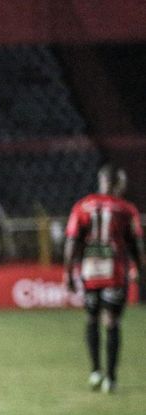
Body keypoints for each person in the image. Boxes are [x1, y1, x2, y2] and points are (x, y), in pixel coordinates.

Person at [64, 164, 144, 393]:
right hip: (114, 271)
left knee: (91, 318)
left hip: (90, 270)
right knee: (111, 321)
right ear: (119, 184)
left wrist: (68, 272)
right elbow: (135, 242)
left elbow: (72, 241)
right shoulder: (126, 209)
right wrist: (138, 267)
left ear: (101, 181)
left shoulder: (82, 206)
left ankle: (95, 372)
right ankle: (111, 378)